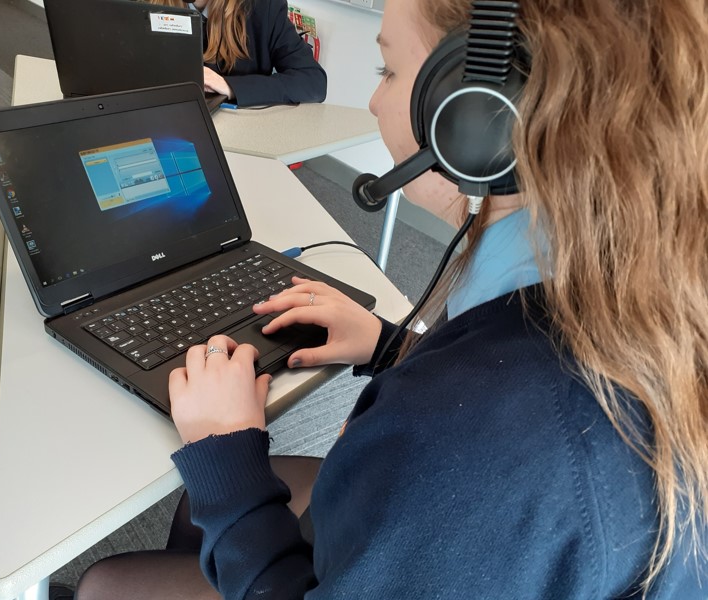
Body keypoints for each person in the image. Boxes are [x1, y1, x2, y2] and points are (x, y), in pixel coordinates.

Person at [73, 0, 708, 597]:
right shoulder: (620, 282)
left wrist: (225, 446)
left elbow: (483, 460)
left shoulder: (469, 435)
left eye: (388, 71)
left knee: (107, 581)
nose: (374, 99)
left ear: (477, 112)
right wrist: (391, 346)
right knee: (197, 504)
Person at [147, 0, 327, 107]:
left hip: (241, 135)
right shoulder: (144, 6)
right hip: (166, 118)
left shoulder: (263, 6)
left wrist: (230, 86)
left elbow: (313, 81)